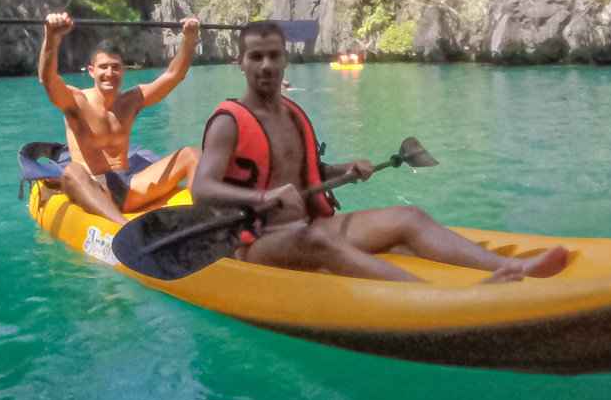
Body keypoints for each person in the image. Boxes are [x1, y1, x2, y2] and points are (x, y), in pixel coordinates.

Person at [190, 21, 570, 283]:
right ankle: (439, 298)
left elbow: (304, 173)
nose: (266, 65)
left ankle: (515, 267)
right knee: (320, 242)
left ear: (286, 59)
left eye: (274, 55)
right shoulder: (229, 121)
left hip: (311, 225)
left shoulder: (291, 113)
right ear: (239, 62)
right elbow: (202, 188)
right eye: (256, 57)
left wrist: (344, 169)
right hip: (258, 242)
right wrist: (262, 197)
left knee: (408, 216)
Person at [38, 11, 201, 224]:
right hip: (94, 188)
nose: (110, 73)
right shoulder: (76, 101)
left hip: (128, 186)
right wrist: (51, 38)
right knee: (70, 171)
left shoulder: (131, 100)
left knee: (191, 154)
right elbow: (47, 80)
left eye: (115, 67)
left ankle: (206, 215)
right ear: (91, 71)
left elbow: (174, 76)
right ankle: (122, 228)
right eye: (103, 67)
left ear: (123, 71)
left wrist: (189, 39)